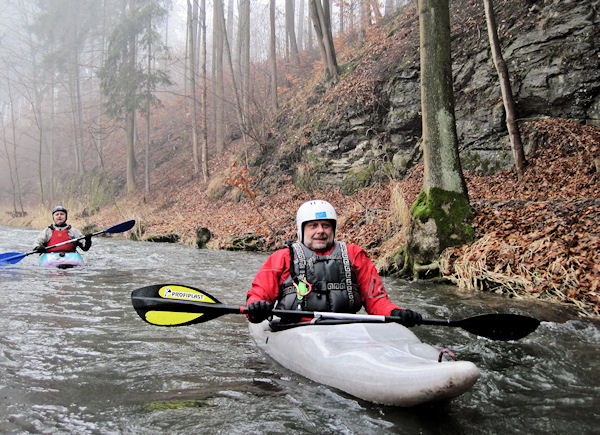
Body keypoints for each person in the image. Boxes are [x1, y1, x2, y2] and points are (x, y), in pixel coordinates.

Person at [246, 200, 423, 327]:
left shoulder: (355, 255)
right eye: (313, 226)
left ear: (333, 229)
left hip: (346, 327)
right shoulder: (282, 257)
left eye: (325, 225)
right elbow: (260, 293)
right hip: (295, 329)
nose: (320, 231)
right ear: (302, 230)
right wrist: (257, 307)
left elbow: (376, 300)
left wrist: (396, 314)